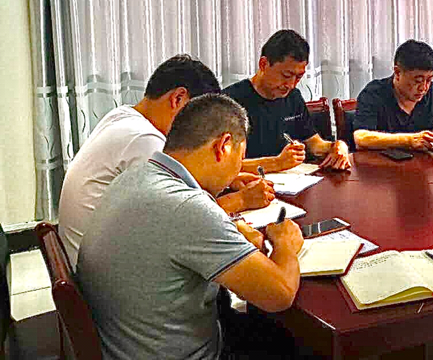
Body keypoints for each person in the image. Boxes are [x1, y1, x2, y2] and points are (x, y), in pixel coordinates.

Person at [77, 94, 303, 360]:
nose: (237, 171)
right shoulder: (188, 207)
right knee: (297, 344)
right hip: (184, 353)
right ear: (223, 147)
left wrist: (230, 233)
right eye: (240, 157)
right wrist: (285, 243)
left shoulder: (135, 175)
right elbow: (279, 295)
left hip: (127, 342)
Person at [58, 55, 275, 268]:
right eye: (199, 117)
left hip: (89, 256)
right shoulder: (145, 140)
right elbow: (188, 217)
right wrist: (242, 200)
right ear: (178, 98)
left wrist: (229, 179)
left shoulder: (123, 116)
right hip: (108, 269)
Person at [224, 30, 351, 171]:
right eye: (286, 75)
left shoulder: (293, 97)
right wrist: (276, 163)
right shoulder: (229, 102)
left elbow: (315, 145)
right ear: (263, 64)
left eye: (298, 77)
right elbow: (221, 166)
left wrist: (338, 146)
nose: (291, 85)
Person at [353, 40, 433, 150]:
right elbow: (360, 138)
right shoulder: (374, 93)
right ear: (397, 73)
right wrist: (408, 140)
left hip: (423, 165)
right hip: (381, 165)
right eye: (418, 81)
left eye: (429, 80)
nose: (423, 88)